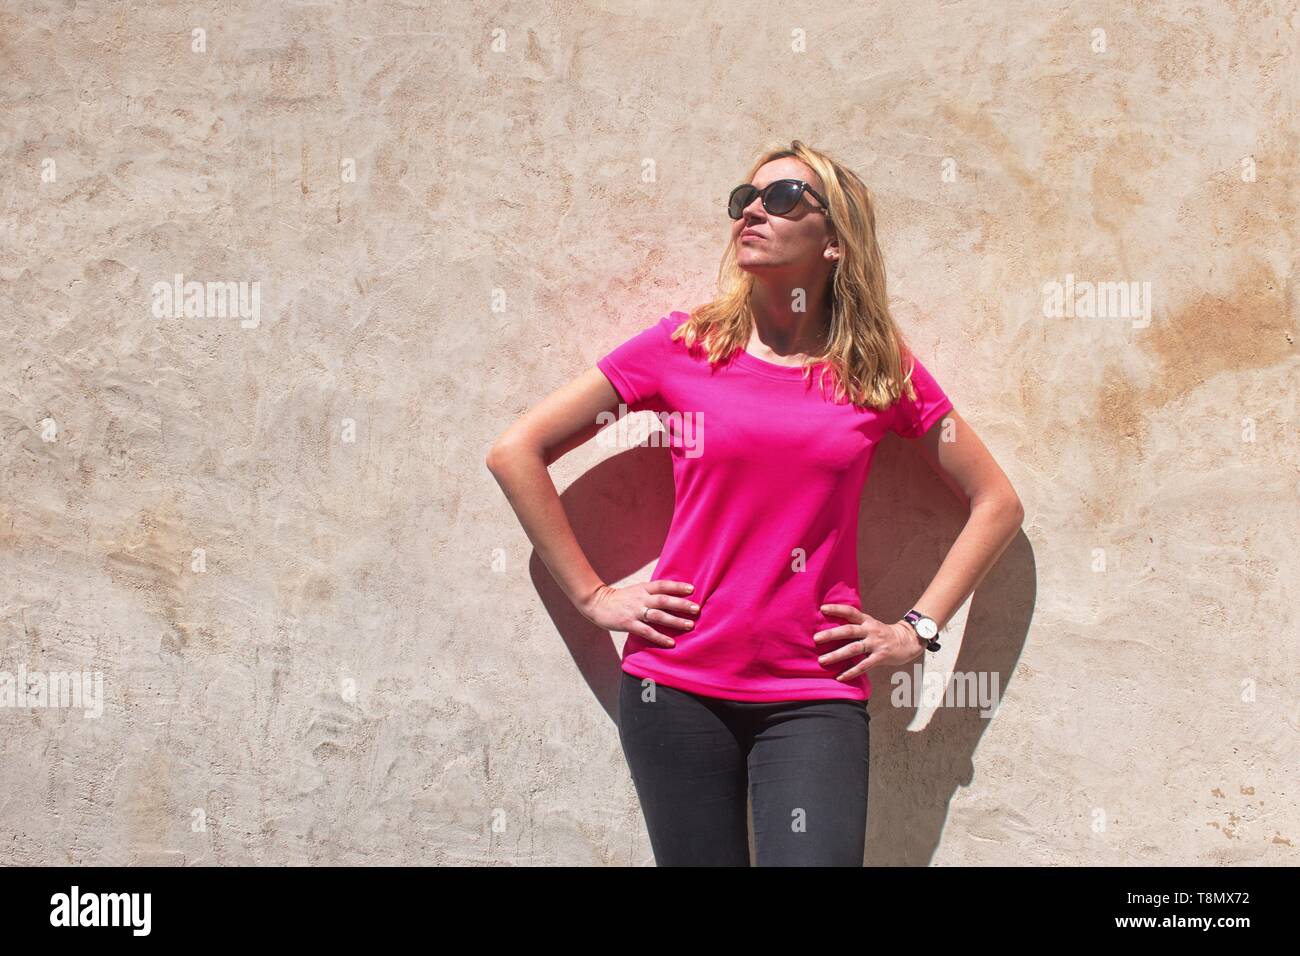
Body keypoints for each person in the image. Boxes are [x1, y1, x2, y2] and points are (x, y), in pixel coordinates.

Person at [486, 139, 1024, 866]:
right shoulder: (684, 345)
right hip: (674, 690)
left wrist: (917, 631)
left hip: (813, 696)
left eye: (780, 199)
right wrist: (593, 596)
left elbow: (996, 502)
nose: (752, 214)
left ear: (834, 240)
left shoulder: (874, 368)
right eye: (745, 200)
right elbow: (516, 451)